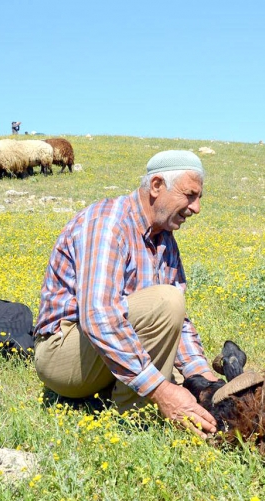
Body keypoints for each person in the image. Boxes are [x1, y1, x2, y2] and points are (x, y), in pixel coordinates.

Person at [33, 150, 219, 436]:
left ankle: (136, 390)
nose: (196, 208)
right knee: (167, 300)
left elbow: (177, 323)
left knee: (172, 310)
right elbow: (99, 317)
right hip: (64, 354)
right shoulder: (108, 224)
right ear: (156, 186)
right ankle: (136, 419)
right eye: (190, 195)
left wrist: (203, 378)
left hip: (100, 354)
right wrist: (162, 391)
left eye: (199, 198)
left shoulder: (165, 240)